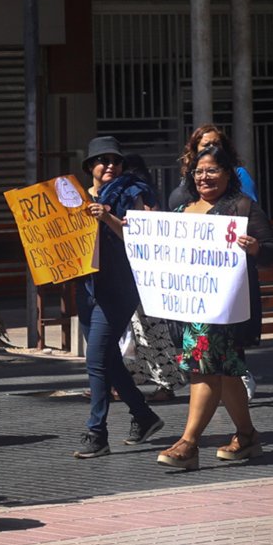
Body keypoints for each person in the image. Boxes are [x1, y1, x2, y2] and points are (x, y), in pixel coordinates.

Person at [157, 144, 273, 470]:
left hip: (224, 309)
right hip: (190, 306)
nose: (204, 177)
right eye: (198, 172)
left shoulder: (242, 208)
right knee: (225, 375)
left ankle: (189, 443)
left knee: (204, 366)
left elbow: (271, 252)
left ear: (228, 174)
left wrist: (254, 248)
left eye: (212, 170)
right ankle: (247, 436)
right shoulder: (182, 212)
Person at [73, 137, 164, 459]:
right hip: (86, 288)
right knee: (108, 359)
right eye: (102, 160)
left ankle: (96, 432)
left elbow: (139, 238)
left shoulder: (133, 193)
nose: (109, 165)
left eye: (115, 160)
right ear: (90, 168)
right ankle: (143, 414)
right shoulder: (76, 199)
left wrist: (107, 218)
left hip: (119, 287)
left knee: (96, 359)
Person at [118, 154, 186, 402]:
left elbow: (152, 225)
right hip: (132, 273)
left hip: (145, 276)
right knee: (135, 330)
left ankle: (166, 383)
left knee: (151, 329)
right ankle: (131, 381)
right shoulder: (139, 192)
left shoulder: (142, 196)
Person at [168, 125, 258, 209]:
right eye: (206, 145)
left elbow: (249, 208)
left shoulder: (239, 174)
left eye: (216, 144)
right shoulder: (189, 177)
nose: (212, 148)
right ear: (195, 150)